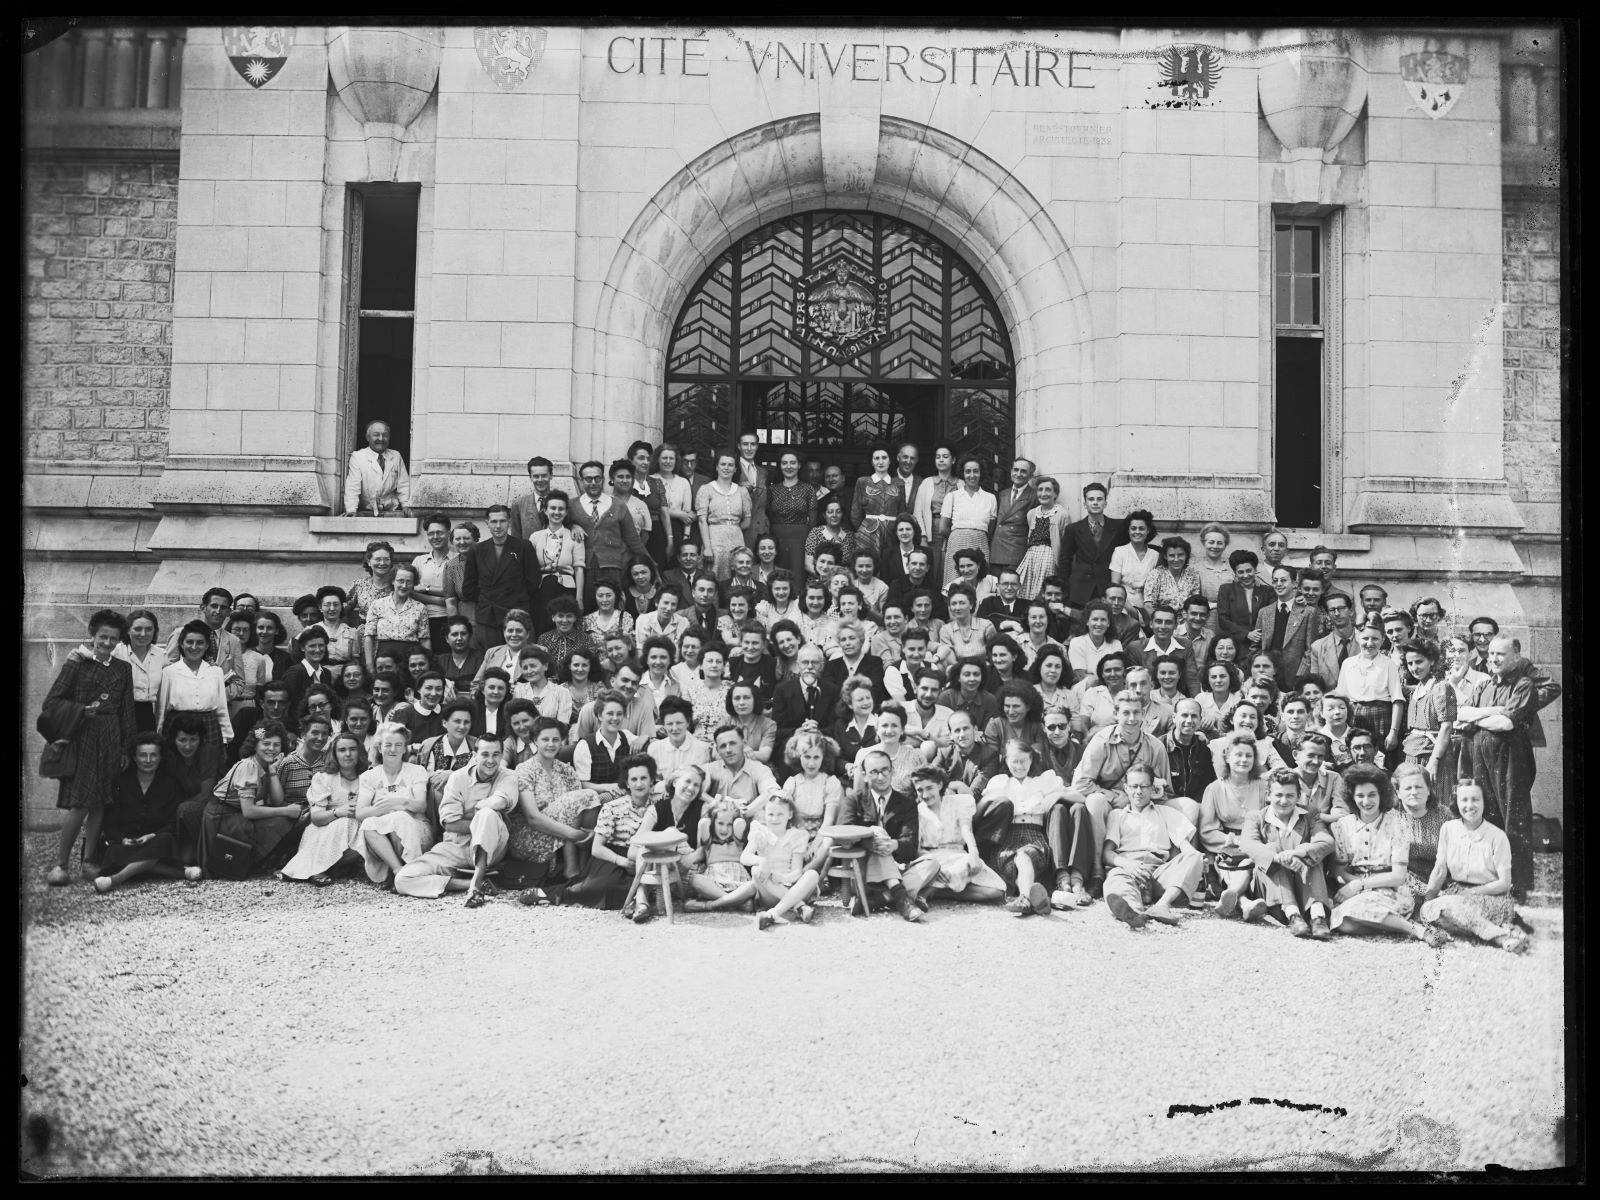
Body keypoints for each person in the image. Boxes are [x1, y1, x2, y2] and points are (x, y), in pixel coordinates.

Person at [1456, 634, 1560, 899]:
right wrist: (1495, 710)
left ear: (1516, 658)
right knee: (1487, 814)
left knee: (1514, 817)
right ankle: (1493, 879)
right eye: (1491, 654)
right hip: (1480, 754)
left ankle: (1519, 885)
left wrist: (1485, 716)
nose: (1494, 659)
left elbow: (1507, 724)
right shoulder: (1484, 685)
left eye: (1500, 654)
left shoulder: (1523, 684)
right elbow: (1461, 714)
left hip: (1510, 756)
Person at [40, 609, 137, 885]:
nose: (107, 643)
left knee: (101, 802)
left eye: (113, 639)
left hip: (110, 737)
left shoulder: (123, 669)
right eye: (102, 637)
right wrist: (81, 711)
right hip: (82, 737)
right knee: (81, 803)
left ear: (119, 641)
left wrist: (125, 749)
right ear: (92, 635)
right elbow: (51, 702)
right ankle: (60, 864)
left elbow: (127, 712)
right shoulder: (76, 664)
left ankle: (89, 860)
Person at [1323, 764, 1447, 945]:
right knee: (1343, 923)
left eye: (1372, 794)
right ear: (1351, 797)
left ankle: (1418, 931)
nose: (1366, 801)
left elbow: (1398, 876)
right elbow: (1339, 871)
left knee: (1349, 912)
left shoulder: (1398, 824)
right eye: (1360, 796)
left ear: (1381, 794)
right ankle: (1393, 925)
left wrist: (1360, 884)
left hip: (1392, 890)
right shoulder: (1342, 825)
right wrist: (1354, 885)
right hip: (1355, 890)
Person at [392, 735, 517, 906]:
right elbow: (450, 823)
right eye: (485, 754)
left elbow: (501, 800)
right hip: (456, 847)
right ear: (475, 755)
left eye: (496, 755)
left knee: (488, 813)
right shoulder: (458, 778)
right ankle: (468, 884)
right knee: (403, 879)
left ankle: (476, 883)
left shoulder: (508, 776)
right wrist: (479, 822)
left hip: (493, 848)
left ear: (502, 756)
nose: (490, 760)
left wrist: (480, 814)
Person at [1420, 780, 1528, 953]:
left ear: (1484, 802)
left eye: (1475, 799)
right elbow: (1440, 869)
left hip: (1491, 897)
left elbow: (1504, 883)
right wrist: (1428, 900)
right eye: (1464, 800)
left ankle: (1501, 937)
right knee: (1427, 911)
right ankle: (1501, 929)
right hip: (1457, 895)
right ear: (1456, 802)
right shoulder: (1448, 829)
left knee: (1447, 908)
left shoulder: (1497, 836)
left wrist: (1471, 893)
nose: (1469, 805)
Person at [90, 733, 202, 893]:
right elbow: (109, 822)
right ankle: (181, 872)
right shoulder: (121, 782)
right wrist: (122, 839)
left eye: (153, 755)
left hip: (155, 840)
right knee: (115, 851)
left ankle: (115, 880)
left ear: (160, 757)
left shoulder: (170, 784)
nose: (148, 760)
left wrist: (151, 836)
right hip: (128, 843)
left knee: (164, 840)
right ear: (134, 758)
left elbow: (172, 822)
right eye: (143, 755)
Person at [1101, 762, 1204, 929]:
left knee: (1195, 857)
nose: (1138, 791)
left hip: (1158, 873)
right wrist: (1127, 865)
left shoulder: (1165, 813)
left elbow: (1186, 847)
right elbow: (1107, 853)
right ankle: (1133, 912)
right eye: (1134, 786)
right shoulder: (1117, 815)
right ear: (1126, 788)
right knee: (1115, 878)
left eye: (1144, 786)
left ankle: (1161, 906)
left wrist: (1198, 860)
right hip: (1129, 869)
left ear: (1152, 788)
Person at [838, 748, 933, 922]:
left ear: (892, 772)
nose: (880, 777)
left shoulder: (907, 804)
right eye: (874, 772)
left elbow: (911, 845)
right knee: (877, 832)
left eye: (884, 770)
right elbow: (844, 834)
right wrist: (870, 841)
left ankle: (882, 898)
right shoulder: (853, 800)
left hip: (897, 865)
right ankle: (902, 899)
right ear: (865, 775)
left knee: (932, 863)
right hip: (863, 870)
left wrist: (894, 845)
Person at [1237, 768, 1334, 939]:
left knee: (1310, 852)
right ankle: (1293, 915)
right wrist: (1277, 858)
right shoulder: (1256, 817)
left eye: (1290, 796)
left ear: (1299, 796)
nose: (1284, 801)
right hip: (1272, 893)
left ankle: (1317, 917)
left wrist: (1298, 853)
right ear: (1268, 795)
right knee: (1270, 849)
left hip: (1304, 886)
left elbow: (1326, 841)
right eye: (1278, 795)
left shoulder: (1309, 814)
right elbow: (1248, 844)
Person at [201, 720, 306, 876]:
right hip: (222, 816)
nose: (271, 749)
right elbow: (249, 811)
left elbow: (277, 801)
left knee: (287, 817)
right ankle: (263, 862)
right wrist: (285, 811)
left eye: (276, 745)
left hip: (236, 813)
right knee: (283, 819)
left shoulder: (264, 765)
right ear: (255, 745)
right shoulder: (248, 766)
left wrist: (272, 771)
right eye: (266, 744)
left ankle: (269, 861)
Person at [561, 754, 659, 910]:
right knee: (603, 887)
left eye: (644, 778)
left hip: (643, 857)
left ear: (652, 780)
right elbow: (596, 848)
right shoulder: (613, 807)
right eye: (633, 779)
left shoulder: (659, 805)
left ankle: (639, 899)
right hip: (612, 856)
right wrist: (622, 861)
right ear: (627, 782)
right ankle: (557, 894)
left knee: (640, 884)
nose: (639, 784)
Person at [279, 731, 368, 886]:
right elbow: (317, 819)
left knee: (360, 824)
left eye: (352, 749)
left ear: (359, 752)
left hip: (358, 829)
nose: (348, 754)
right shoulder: (323, 779)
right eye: (342, 750)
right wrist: (338, 812)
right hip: (324, 829)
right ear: (334, 754)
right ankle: (319, 867)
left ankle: (330, 866)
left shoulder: (368, 777)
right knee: (345, 821)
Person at [354, 722, 434, 888]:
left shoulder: (416, 771)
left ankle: (409, 869)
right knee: (368, 824)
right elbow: (360, 813)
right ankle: (398, 870)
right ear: (379, 747)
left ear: (405, 748)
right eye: (388, 745)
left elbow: (420, 806)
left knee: (399, 817)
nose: (393, 749)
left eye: (398, 745)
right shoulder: (369, 777)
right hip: (386, 836)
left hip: (417, 830)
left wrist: (397, 802)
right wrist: (382, 808)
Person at [1200, 731, 1269, 917]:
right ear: (1227, 757)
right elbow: (1207, 830)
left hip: (1256, 840)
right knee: (1239, 863)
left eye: (1249, 755)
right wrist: (1229, 839)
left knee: (1249, 861)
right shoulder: (1214, 788)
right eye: (1238, 754)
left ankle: (1235, 898)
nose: (1243, 759)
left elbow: (1270, 819)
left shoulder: (1263, 786)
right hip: (1228, 844)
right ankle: (1245, 903)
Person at [155, 618, 232, 784]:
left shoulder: (215, 672)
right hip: (177, 726)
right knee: (176, 774)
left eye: (200, 643)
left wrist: (225, 739)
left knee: (208, 774)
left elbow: (221, 709)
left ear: (206, 646)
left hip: (208, 725)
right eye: (189, 642)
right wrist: (160, 736)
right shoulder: (169, 672)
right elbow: (161, 709)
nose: (194, 647)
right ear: (182, 644)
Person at [461, 505, 541, 650]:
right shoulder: (477, 550)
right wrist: (487, 599)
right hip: (488, 617)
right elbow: (468, 588)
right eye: (494, 522)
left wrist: (515, 598)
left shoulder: (523, 546)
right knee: (492, 660)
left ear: (509, 522)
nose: (498, 526)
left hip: (517, 614)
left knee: (520, 659)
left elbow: (533, 582)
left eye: (502, 521)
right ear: (487, 523)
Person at [1334, 615, 1407, 758]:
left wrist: (1393, 732)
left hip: (1380, 719)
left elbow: (1398, 700)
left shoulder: (1388, 664)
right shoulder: (1348, 664)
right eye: (1365, 638)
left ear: (1383, 640)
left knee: (1381, 760)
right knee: (1355, 757)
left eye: (1375, 639)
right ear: (1357, 638)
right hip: (1353, 717)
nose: (1369, 643)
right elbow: (1340, 697)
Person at [1401, 639, 1458, 799]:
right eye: (1410, 663)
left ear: (1431, 660)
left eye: (1419, 661)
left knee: (1436, 799)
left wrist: (1434, 761)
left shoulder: (1441, 688)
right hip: (1412, 754)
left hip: (1432, 755)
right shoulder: (1416, 690)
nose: (1414, 667)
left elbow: (1446, 727)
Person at [1058, 481, 1126, 608]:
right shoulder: (1073, 529)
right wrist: (1065, 588)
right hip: (1080, 588)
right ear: (1085, 503)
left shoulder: (1117, 527)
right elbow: (1065, 561)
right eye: (1091, 499)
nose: (1095, 502)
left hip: (1106, 586)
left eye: (1099, 499)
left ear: (1105, 503)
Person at [695, 451, 752, 584]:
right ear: (716, 467)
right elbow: (702, 520)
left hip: (737, 541)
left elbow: (747, 521)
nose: (726, 468)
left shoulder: (742, 491)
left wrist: (732, 529)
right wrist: (708, 547)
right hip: (714, 541)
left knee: (738, 575)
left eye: (730, 465)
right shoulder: (706, 489)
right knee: (713, 577)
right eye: (723, 464)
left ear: (735, 468)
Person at [342, 419, 410, 515]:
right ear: (367, 437)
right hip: (365, 511)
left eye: (385, 435)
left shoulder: (396, 456)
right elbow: (353, 486)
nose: (381, 439)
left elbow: (403, 485)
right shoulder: (358, 457)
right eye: (376, 434)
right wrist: (351, 510)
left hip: (391, 511)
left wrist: (406, 505)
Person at [987, 457, 1036, 576]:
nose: (1018, 474)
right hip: (996, 550)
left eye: (1023, 471)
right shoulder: (1003, 494)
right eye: (1016, 470)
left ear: (1030, 476)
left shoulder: (1034, 496)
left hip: (1015, 552)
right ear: (1011, 472)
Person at [509, 454, 572, 541]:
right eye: (536, 476)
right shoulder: (519, 504)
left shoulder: (563, 503)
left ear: (551, 476)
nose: (540, 480)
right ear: (530, 477)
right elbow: (515, 537)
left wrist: (576, 527)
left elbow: (570, 525)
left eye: (544, 475)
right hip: (529, 553)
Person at [1216, 549, 1274, 642]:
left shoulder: (1268, 591)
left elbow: (1271, 618)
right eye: (1241, 572)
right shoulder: (1226, 590)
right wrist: (1246, 634)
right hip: (1236, 641)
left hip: (1261, 640)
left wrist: (1258, 635)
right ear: (1235, 573)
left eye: (1249, 570)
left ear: (1255, 570)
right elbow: (1223, 620)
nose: (1246, 575)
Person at [651, 443, 697, 559]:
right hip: (656, 528)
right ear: (657, 460)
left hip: (678, 530)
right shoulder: (650, 480)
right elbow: (653, 509)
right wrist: (678, 513)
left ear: (676, 461)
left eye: (671, 458)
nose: (668, 461)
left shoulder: (683, 482)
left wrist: (686, 536)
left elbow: (687, 514)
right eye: (664, 458)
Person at [1142, 536, 1203, 616]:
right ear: (1165, 556)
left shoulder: (1193, 575)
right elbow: (1148, 606)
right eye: (1172, 555)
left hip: (1187, 623)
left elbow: (1195, 604)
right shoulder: (1156, 575)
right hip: (1163, 623)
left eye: (1180, 555)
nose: (1176, 559)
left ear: (1186, 555)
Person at [1067, 600, 1122, 685]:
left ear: (1108, 623)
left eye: (1103, 620)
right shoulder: (1076, 643)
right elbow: (1081, 677)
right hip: (1084, 690)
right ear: (1087, 622)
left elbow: (1118, 673)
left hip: (1110, 688)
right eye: (1095, 619)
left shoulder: (1116, 644)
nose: (1099, 624)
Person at [1194, 523, 1234, 606]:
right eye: (1211, 542)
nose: (1215, 546)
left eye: (1219, 543)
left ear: (1225, 545)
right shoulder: (1195, 569)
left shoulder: (1232, 569)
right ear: (1204, 543)